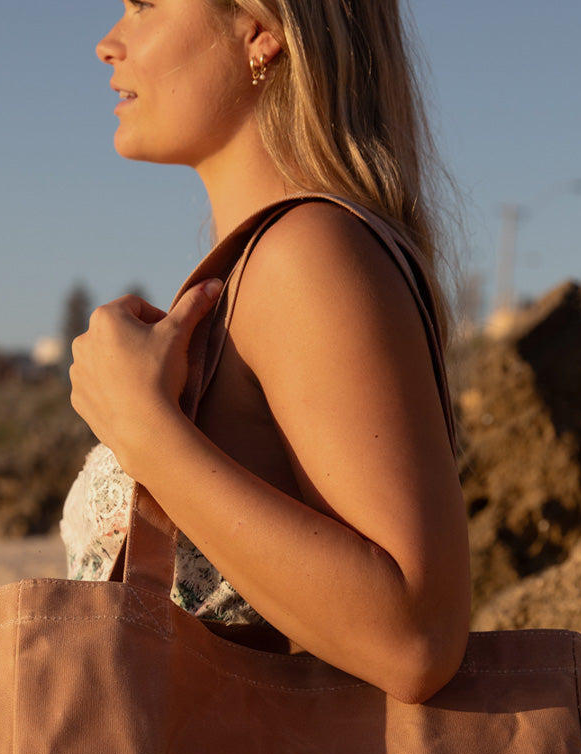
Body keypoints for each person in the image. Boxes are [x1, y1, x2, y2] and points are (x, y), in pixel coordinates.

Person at [64, 0, 470, 704]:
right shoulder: (272, 264)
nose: (107, 43)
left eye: (146, 6)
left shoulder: (307, 253)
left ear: (258, 29)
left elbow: (415, 639)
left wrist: (141, 429)